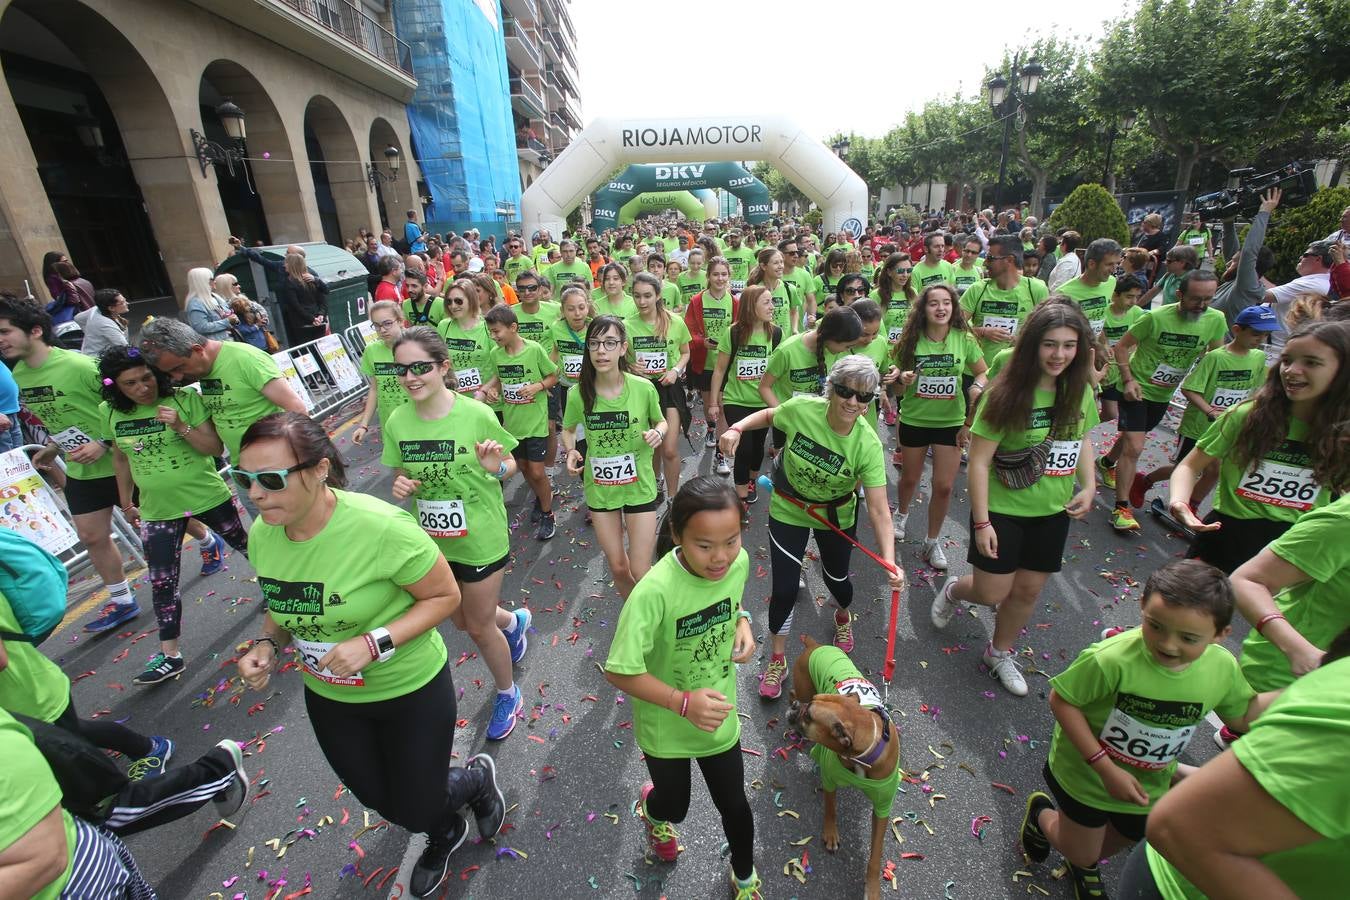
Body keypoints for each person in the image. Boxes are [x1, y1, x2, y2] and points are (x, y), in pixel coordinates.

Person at [234, 412, 504, 899]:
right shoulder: (263, 533)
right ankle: (445, 827)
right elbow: (282, 601)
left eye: (270, 480)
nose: (255, 495)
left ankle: (473, 783)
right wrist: (267, 643)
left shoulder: (381, 526)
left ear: (318, 470)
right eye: (244, 479)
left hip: (409, 687)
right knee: (378, 799)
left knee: (417, 805)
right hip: (330, 693)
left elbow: (445, 597)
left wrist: (372, 642)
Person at [1020, 560, 1275, 899]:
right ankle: (1043, 818)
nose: (1168, 645)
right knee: (1081, 852)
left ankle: (1088, 852)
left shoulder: (1222, 667)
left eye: (1188, 638)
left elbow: (1243, 716)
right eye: (1155, 627)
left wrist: (1311, 689)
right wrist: (1105, 768)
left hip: (1148, 784)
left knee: (1124, 835)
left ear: (1221, 634)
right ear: (1141, 606)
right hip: (1086, 774)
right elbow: (1062, 701)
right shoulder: (1111, 659)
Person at [603, 477, 762, 899]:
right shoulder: (653, 592)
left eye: (731, 540)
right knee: (676, 807)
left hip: (717, 715)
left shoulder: (738, 562)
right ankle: (652, 810)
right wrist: (682, 702)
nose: (720, 557)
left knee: (735, 805)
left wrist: (742, 620)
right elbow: (619, 671)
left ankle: (744, 878)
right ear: (676, 535)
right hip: (666, 722)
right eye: (704, 545)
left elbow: (731, 596)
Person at [932, 302, 1099, 697]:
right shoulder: (1005, 394)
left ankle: (999, 651)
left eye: (1069, 346)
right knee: (991, 592)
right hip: (1002, 511)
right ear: (1032, 347)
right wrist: (982, 521)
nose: (1059, 355)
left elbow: (1084, 438)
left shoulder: (1079, 391)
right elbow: (979, 462)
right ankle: (956, 589)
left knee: (1026, 591)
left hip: (1052, 511)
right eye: (1049, 345)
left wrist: (1089, 485)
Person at [720, 355, 902, 699]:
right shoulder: (804, 408)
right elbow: (771, 414)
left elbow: (878, 509)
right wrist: (737, 427)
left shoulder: (867, 444)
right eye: (846, 392)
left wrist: (889, 561)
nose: (853, 402)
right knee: (786, 589)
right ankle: (777, 659)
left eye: (864, 397)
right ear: (831, 389)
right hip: (789, 507)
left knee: (839, 583)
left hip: (834, 516)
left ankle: (843, 616)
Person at [381, 327, 531, 741]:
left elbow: (510, 466)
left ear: (443, 367)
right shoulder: (397, 420)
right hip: (432, 541)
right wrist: (401, 485)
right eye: (402, 370)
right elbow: (400, 471)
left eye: (420, 368)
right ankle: (514, 622)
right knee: (464, 621)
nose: (411, 377)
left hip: (480, 535)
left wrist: (494, 469)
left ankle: (508, 692)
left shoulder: (475, 414)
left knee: (480, 628)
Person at [1119, 645, 1350, 899]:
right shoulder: (1342, 706)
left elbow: (1282, 794)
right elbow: (1180, 829)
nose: (1171, 645)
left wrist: (1171, 769)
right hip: (1182, 885)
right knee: (1090, 842)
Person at [98, 347, 251, 685]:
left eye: (147, 378)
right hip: (156, 510)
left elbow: (213, 449)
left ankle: (280, 595)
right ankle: (170, 655)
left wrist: (180, 425)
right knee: (162, 581)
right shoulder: (108, 412)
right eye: (131, 383)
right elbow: (120, 460)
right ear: (116, 388)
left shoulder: (185, 400)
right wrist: (126, 503)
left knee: (249, 547)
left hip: (206, 496)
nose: (143, 388)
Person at [0, 296, 143, 631]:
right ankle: (123, 600)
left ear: (35, 331)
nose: (0, 340)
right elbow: (61, 417)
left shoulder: (80, 367)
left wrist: (104, 442)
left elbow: (128, 404)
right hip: (81, 470)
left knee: (163, 523)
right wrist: (52, 447)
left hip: (123, 463)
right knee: (92, 536)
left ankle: (208, 542)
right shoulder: (19, 375)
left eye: (5, 331)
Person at [1167, 319, 1347, 572]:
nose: (1292, 371)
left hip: (1296, 545)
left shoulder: (1344, 432)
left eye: (1312, 362)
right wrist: (1179, 503)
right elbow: (1190, 465)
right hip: (1227, 535)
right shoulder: (1246, 415)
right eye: (1286, 360)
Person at [1100, 270, 1227, 533]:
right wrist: (1128, 379)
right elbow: (1122, 347)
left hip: (1165, 392)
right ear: (1179, 294)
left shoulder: (1215, 320)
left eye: (1208, 299)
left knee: (1133, 439)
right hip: (1137, 387)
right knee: (1135, 447)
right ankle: (1121, 508)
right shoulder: (1156, 317)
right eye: (1195, 299)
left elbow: (1216, 357)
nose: (1202, 305)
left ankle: (1106, 462)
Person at [1128, 306, 1278, 510]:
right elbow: (1190, 389)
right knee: (1183, 468)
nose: (1260, 339)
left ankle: (1191, 507)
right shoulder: (1215, 357)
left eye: (1265, 335)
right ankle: (1146, 481)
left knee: (1214, 471)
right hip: (1198, 426)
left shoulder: (1258, 358)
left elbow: (1256, 390)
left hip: (1228, 425)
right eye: (1255, 334)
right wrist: (1210, 411)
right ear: (1237, 330)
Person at [561, 316, 664, 599]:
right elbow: (568, 429)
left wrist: (658, 433)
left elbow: (661, 421)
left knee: (641, 569)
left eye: (609, 343)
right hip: (601, 491)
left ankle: (651, 619)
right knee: (619, 567)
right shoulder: (578, 393)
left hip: (639, 487)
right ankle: (634, 616)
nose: (601, 351)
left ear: (622, 348)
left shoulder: (643, 388)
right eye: (594, 344)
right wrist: (570, 450)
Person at [892, 284, 988, 565]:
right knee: (910, 478)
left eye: (947, 302)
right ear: (923, 309)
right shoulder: (910, 340)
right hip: (915, 418)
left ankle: (933, 542)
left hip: (951, 422)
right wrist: (902, 378)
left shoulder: (963, 338)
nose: (941, 308)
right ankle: (902, 513)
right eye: (934, 303)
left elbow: (982, 372)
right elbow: (896, 382)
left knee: (944, 486)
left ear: (954, 307)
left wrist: (978, 387)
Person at [480, 304, 559, 540]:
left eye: (496, 332)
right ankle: (540, 497)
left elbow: (554, 375)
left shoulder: (533, 350)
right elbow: (499, 379)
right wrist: (493, 391)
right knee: (523, 468)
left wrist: (538, 386)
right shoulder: (496, 354)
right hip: (513, 425)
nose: (493, 336)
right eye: (490, 332)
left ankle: (548, 513)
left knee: (536, 470)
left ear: (513, 328)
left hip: (535, 421)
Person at [708, 286, 781, 526]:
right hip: (735, 401)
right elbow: (720, 369)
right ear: (751, 305)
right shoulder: (734, 333)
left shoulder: (776, 334)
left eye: (772, 302)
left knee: (758, 447)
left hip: (762, 402)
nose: (772, 307)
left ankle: (752, 479)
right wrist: (713, 402)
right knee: (745, 447)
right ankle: (740, 499)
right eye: (767, 302)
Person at [626, 272, 691, 498]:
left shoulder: (675, 322)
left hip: (668, 389)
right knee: (651, 446)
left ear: (658, 295)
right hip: (642, 391)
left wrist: (675, 371)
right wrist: (631, 367)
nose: (642, 302)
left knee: (670, 448)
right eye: (637, 296)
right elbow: (622, 359)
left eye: (647, 296)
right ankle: (655, 483)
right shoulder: (626, 325)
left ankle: (673, 498)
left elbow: (685, 352)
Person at [962, 235, 1051, 367]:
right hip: (978, 371)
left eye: (990, 258)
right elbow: (955, 327)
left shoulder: (1036, 289)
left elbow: (1049, 331)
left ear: (1009, 260)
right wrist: (982, 331)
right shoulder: (977, 289)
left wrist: (1024, 340)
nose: (985, 262)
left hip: (1017, 371)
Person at [684, 257, 736, 464]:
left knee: (722, 405)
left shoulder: (735, 301)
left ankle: (720, 455)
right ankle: (710, 428)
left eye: (724, 274)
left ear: (729, 276)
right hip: (704, 362)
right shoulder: (697, 301)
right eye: (716, 274)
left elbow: (739, 329)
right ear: (708, 276)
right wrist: (701, 342)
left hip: (725, 363)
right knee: (709, 403)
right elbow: (688, 329)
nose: (720, 278)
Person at [352, 300, 409, 444]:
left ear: (401, 321)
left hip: (419, 420)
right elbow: (374, 389)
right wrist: (364, 425)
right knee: (397, 466)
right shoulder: (371, 351)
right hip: (389, 423)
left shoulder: (416, 345)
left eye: (387, 323)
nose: (382, 330)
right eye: (377, 326)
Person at [1263, 240, 1334, 353]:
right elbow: (1275, 291)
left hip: (1277, 351)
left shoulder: (1314, 284)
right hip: (1278, 348)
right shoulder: (1317, 281)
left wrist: (1251, 268)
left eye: (1305, 255)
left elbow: (1262, 295)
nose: (1300, 257)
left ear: (1318, 259)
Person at [1098, 275, 1148, 424]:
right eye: (1129, 296)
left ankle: (1083, 430)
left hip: (1119, 370)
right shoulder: (1102, 311)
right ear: (1115, 295)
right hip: (1099, 366)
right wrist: (1104, 345)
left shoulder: (1138, 313)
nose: (1133, 302)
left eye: (1136, 297)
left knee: (1111, 413)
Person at [435, 279, 495, 396]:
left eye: (458, 301)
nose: (453, 306)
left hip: (486, 400)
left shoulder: (488, 326)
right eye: (449, 301)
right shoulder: (443, 326)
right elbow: (438, 361)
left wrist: (484, 391)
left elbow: (501, 364)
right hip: (455, 400)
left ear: (471, 300)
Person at [1058, 239, 1122, 340]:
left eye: (1117, 264)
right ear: (1092, 264)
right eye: (1109, 264)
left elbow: (1100, 319)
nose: (1114, 269)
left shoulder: (1111, 282)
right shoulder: (1063, 293)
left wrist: (1103, 343)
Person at [279, 252, 328, 346]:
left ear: (292, 265)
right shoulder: (311, 279)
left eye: (286, 263)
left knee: (308, 352)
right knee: (322, 349)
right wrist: (320, 315)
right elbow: (323, 299)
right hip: (318, 320)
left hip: (303, 323)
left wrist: (312, 319)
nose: (284, 265)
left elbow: (295, 305)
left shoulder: (289, 283)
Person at [182, 267, 236, 341]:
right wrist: (227, 321)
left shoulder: (215, 296)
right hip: (216, 344)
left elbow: (227, 314)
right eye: (212, 279)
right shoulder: (195, 303)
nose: (215, 281)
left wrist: (234, 319)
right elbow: (201, 327)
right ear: (202, 282)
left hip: (229, 339)